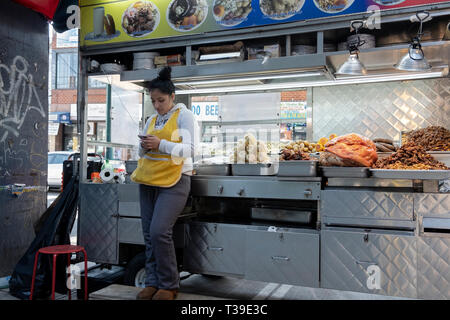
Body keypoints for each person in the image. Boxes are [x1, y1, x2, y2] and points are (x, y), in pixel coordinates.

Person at [131, 67, 198, 300]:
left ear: (172, 97)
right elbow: (140, 153)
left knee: (160, 231)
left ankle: (169, 285)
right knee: (149, 234)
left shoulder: (184, 116)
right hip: (149, 178)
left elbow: (189, 150)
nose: (157, 105)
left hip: (176, 180)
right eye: (153, 101)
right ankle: (152, 282)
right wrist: (142, 145)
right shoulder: (151, 119)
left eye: (161, 100)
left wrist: (160, 144)